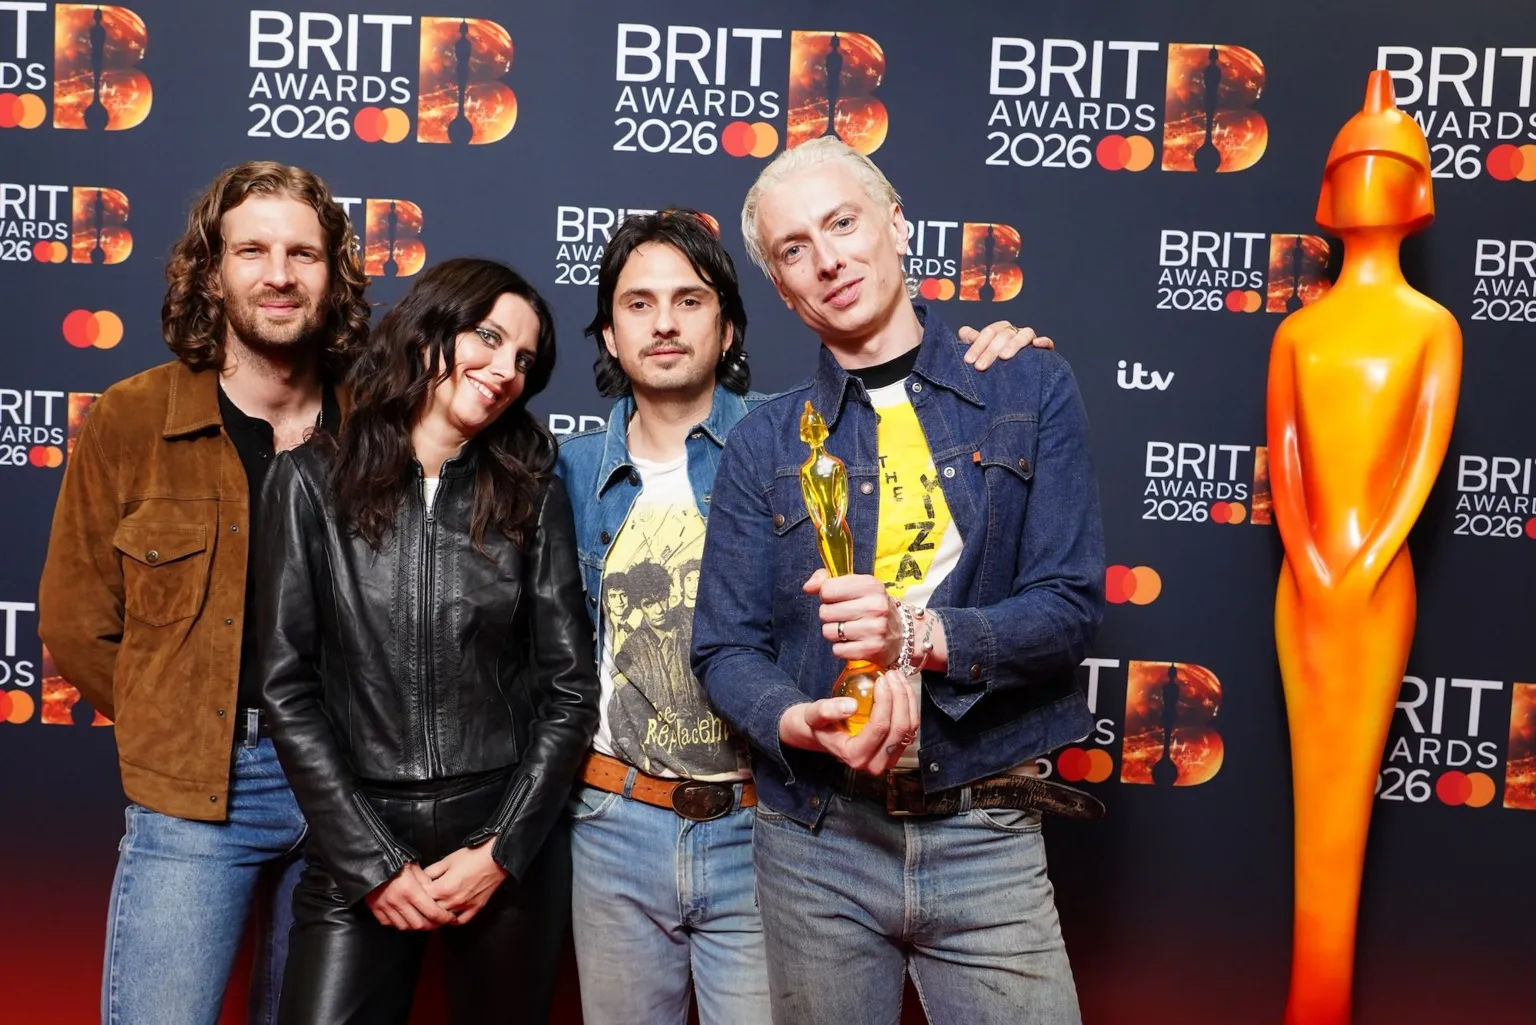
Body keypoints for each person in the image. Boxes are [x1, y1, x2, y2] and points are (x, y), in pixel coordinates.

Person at [556, 208, 1056, 1025]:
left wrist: (1000, 362)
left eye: (690, 300)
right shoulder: (571, 468)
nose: (665, 323)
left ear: (728, 327)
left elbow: (919, 414)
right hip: (617, 817)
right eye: (638, 304)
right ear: (609, 335)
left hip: (768, 814)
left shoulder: (798, 439)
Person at [692, 137, 1106, 1025]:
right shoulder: (765, 443)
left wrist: (918, 637)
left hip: (986, 827)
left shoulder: (1026, 386)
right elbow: (724, 648)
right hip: (817, 840)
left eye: (842, 222)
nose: (828, 258)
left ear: (896, 224)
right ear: (783, 287)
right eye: (795, 248)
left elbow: (1069, 606)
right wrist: (791, 720)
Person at [38, 161, 365, 1025]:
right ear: (212, 271)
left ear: (333, 274)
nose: (279, 274)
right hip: (197, 789)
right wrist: (180, 716)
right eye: (251, 250)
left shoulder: (378, 423)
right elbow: (76, 618)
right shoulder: (132, 417)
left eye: (303, 253)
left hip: (351, 787)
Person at [253, 258, 599, 1024]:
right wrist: (371, 861)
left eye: (524, 359)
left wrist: (501, 848)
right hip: (361, 840)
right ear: (427, 328)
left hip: (502, 842)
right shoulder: (308, 480)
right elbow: (286, 686)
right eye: (489, 337)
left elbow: (570, 693)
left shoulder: (532, 490)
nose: (505, 369)